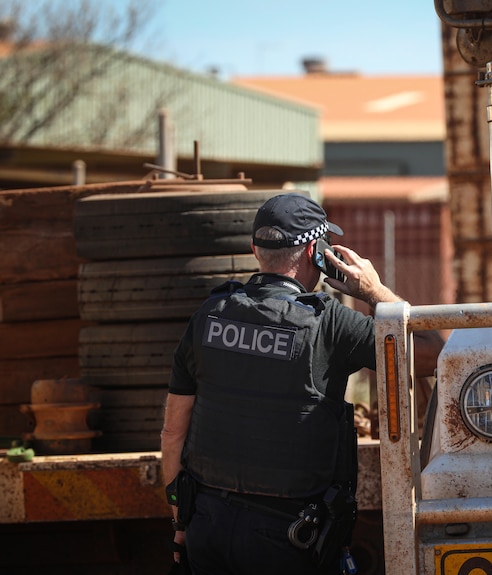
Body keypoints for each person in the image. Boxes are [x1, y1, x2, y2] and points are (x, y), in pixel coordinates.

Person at [161, 192, 443, 575]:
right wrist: (373, 292)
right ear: (316, 252)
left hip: (207, 527)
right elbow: (432, 354)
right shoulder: (329, 325)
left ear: (254, 249)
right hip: (288, 537)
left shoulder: (209, 315)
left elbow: (172, 432)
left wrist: (181, 525)